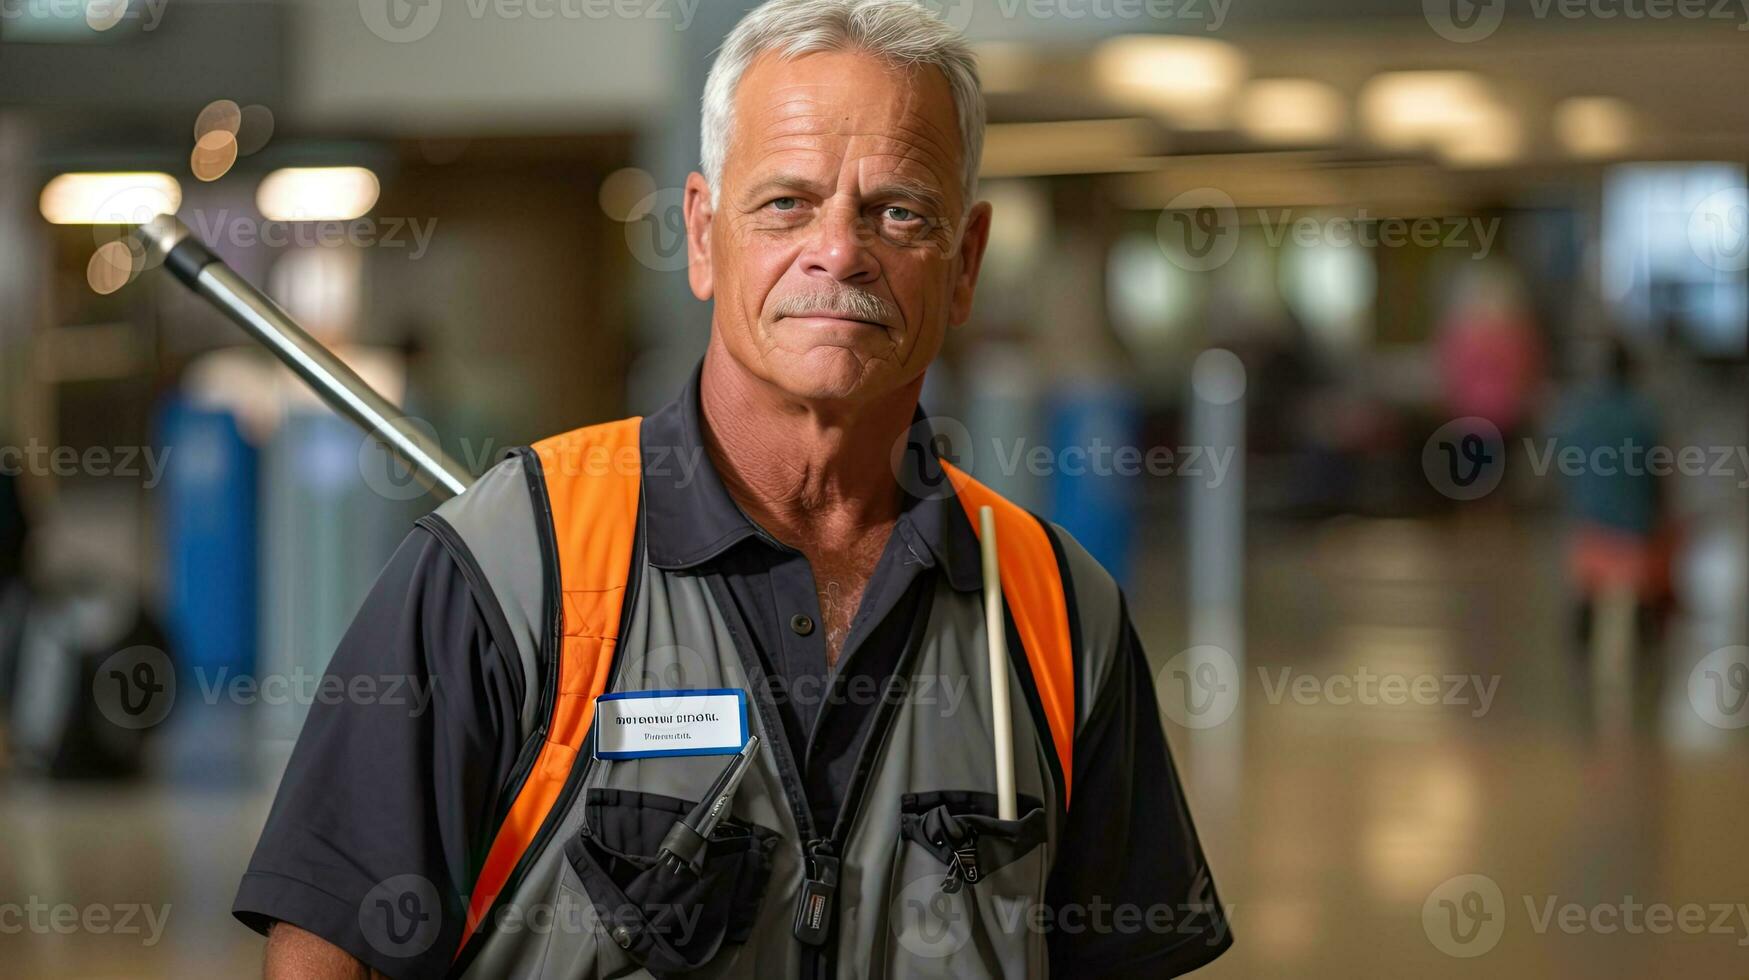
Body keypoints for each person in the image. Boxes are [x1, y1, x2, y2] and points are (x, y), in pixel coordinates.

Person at [233, 2, 1231, 977]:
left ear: (962, 261)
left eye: (898, 210)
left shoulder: (1059, 611)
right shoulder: (507, 567)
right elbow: (332, 946)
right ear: (705, 236)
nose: (839, 251)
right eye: (787, 201)